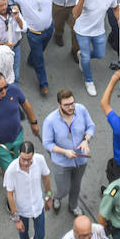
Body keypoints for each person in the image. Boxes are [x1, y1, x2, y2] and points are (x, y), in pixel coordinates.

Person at [44, 88, 96, 216]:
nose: (71, 107)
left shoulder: (81, 110)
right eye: (66, 105)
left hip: (80, 160)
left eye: (72, 103)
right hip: (62, 162)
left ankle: (73, 205)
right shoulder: (50, 121)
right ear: (59, 105)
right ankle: (57, 197)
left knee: (76, 186)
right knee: (63, 188)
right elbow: (47, 143)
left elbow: (90, 127)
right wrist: (64, 152)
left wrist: (85, 140)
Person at [0, 71, 39, 171]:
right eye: (0, 90)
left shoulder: (13, 90)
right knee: (10, 170)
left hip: (17, 136)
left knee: (19, 163)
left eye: (6, 86)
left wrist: (33, 122)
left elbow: (25, 104)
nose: (4, 91)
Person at [6, 140, 54, 239]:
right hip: (21, 209)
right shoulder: (11, 170)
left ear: (33, 155)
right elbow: (9, 194)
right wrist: (15, 217)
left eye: (29, 159)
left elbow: (46, 177)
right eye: (23, 159)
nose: (26, 163)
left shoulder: (40, 160)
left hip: (38, 204)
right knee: (23, 232)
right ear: (18, 155)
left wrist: (49, 197)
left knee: (41, 233)